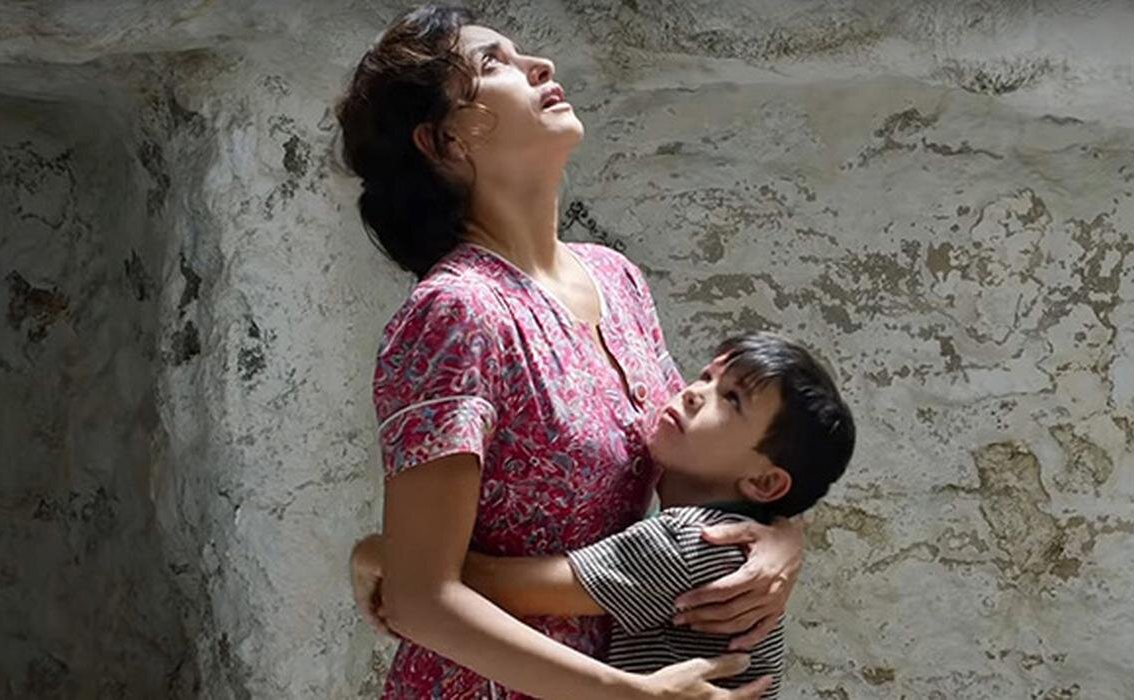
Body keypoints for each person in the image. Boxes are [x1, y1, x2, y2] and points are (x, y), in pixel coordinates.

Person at [336, 5, 808, 698]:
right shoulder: (459, 312)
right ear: (443, 142)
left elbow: (704, 462)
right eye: (493, 63)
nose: (540, 65)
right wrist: (630, 695)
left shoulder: (616, 280)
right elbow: (419, 600)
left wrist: (782, 537)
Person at [359, 332, 856, 699]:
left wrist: (380, 554)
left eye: (731, 399)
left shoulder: (688, 544)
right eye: (707, 376)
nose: (693, 392)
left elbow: (500, 587)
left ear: (765, 484)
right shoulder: (737, 538)